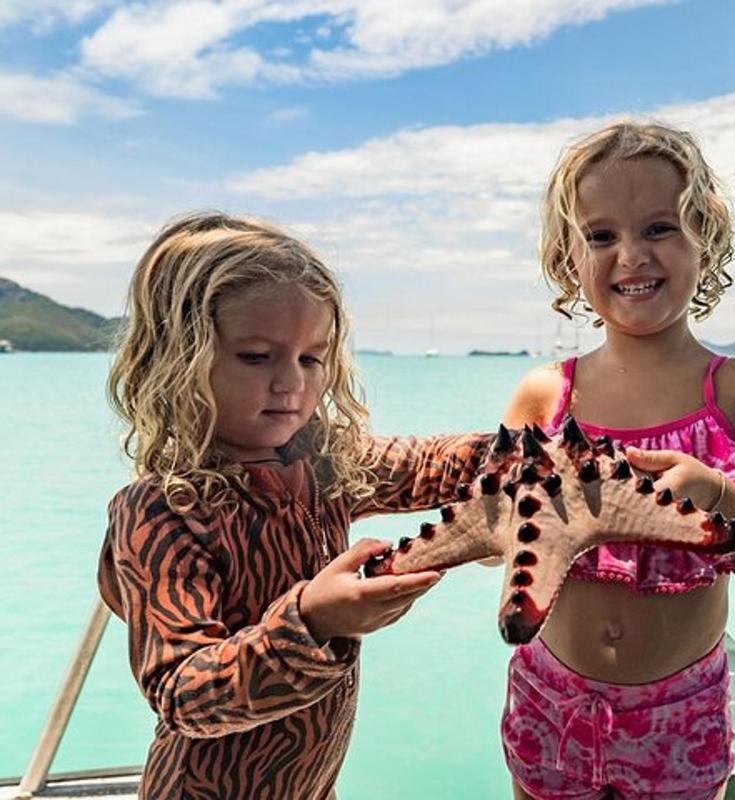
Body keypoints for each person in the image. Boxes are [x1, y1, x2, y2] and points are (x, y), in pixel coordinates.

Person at [99, 211, 490, 799]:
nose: (293, 383)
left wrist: (522, 454)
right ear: (178, 360)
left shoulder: (323, 462)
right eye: (257, 356)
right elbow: (183, 694)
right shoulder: (161, 511)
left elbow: (430, 464)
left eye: (312, 358)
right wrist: (311, 622)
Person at [499, 122, 735, 800]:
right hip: (549, 700)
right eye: (601, 235)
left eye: (658, 228)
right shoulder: (544, 395)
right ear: (569, 258)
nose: (630, 256)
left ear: (705, 238)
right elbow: (489, 546)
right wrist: (522, 511)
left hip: (683, 714)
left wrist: (720, 498)